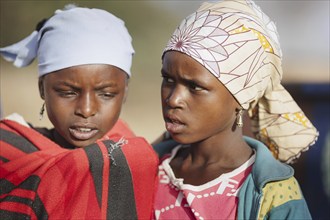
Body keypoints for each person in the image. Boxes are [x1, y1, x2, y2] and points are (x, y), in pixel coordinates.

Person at [153, 0, 319, 219]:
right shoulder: (150, 168)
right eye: (168, 79)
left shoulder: (274, 194)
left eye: (195, 86)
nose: (174, 99)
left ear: (242, 96)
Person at [0, 5, 158, 219]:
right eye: (67, 92)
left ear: (125, 92)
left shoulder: (133, 160)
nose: (86, 110)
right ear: (42, 89)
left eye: (106, 94)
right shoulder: (8, 150)